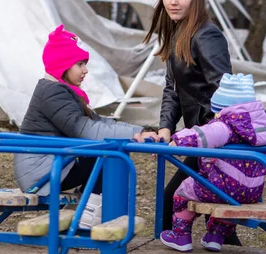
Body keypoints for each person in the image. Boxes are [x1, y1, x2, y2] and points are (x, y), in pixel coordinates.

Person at [142, 0, 263, 254]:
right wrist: (166, 127)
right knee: (218, 221)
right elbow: (172, 90)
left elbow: (223, 92)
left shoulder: (206, 35)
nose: (174, 1)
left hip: (216, 145)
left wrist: (209, 133)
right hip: (201, 143)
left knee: (184, 204)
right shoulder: (179, 33)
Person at [14, 24, 159, 227]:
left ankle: (85, 211)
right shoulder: (52, 93)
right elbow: (84, 128)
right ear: (63, 66)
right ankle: (88, 220)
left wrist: (139, 131)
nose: (85, 70)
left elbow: (97, 122)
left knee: (105, 157)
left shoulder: (62, 91)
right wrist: (133, 133)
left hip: (53, 162)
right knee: (105, 159)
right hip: (41, 170)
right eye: (80, 64)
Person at [160, 73, 266, 252]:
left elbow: (200, 135)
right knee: (228, 200)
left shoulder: (225, 126)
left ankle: (180, 235)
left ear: (223, 109)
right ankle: (215, 236)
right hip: (252, 191)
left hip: (223, 186)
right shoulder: (260, 127)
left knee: (183, 191)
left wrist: (177, 141)